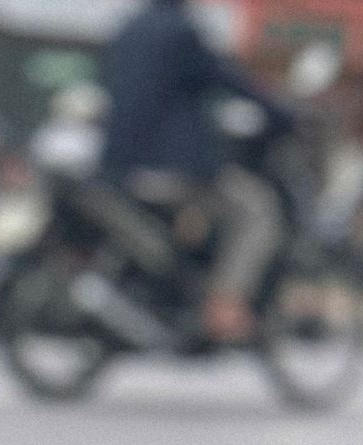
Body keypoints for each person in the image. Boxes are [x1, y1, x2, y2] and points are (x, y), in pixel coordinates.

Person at [99, 0, 294, 342]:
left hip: (120, 164)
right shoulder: (181, 32)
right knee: (258, 208)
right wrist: (279, 112)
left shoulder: (129, 29)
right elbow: (226, 78)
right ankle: (224, 304)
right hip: (169, 166)